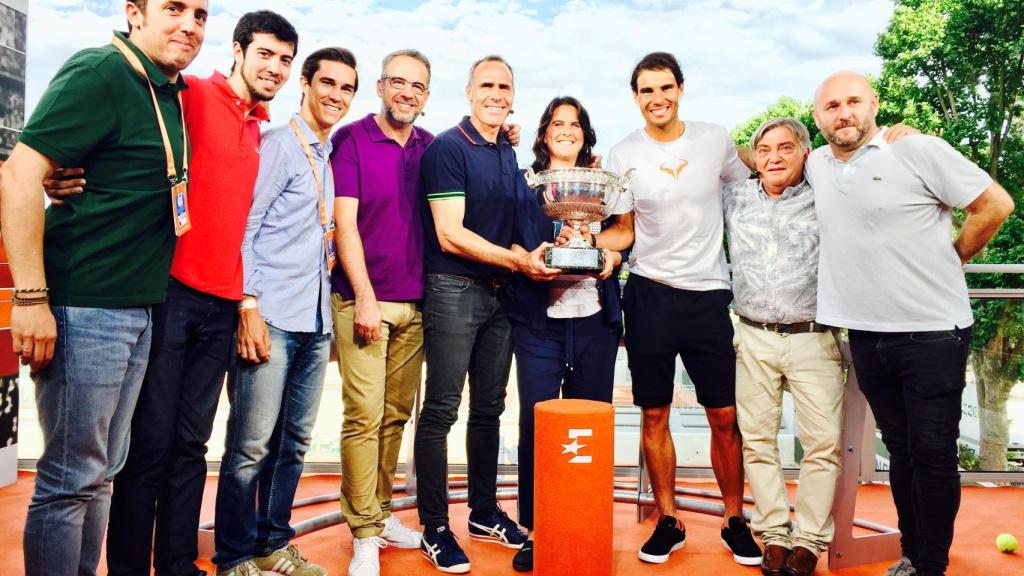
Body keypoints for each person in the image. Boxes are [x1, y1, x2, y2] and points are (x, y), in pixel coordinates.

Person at [0, 0, 207, 574]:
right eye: (174, 8)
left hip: (135, 307)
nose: (189, 24)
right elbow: (17, 174)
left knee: (99, 475)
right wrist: (31, 298)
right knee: (71, 480)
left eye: (199, 14)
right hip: (83, 305)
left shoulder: (166, 91)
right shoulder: (100, 72)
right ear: (134, 13)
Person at [105, 12, 297, 576]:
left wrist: (243, 303)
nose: (275, 68)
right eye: (265, 54)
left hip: (220, 306)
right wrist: (61, 173)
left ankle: (178, 564)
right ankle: (128, 568)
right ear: (237, 51)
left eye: (285, 60)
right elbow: (132, 136)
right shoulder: (191, 94)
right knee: (150, 446)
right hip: (170, 294)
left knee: (192, 448)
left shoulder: (259, 126)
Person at [808, 71, 1014, 576]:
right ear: (818, 118)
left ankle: (931, 564)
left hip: (932, 331)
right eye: (831, 106)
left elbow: (996, 204)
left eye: (854, 101)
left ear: (873, 104)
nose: (844, 113)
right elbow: (763, 157)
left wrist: (956, 255)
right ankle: (912, 555)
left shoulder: (918, 150)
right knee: (900, 451)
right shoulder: (816, 163)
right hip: (867, 335)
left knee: (933, 452)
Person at [594, 51, 762, 566]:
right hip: (648, 294)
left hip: (710, 294)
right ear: (635, 96)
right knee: (653, 413)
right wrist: (590, 241)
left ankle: (736, 519)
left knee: (725, 415)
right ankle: (668, 519)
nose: (657, 98)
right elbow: (621, 226)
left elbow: (757, 181)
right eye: (646, 90)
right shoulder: (622, 154)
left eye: (665, 88)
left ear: (681, 89)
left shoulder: (714, 140)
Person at [212, 47, 359, 576]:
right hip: (271, 316)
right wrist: (247, 305)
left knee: (292, 444)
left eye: (346, 88)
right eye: (328, 83)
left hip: (315, 321)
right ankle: (233, 557)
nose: (336, 95)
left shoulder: (328, 156)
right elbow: (244, 231)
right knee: (250, 447)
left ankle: (273, 544)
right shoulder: (279, 146)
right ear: (305, 83)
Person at [414, 54, 559, 574]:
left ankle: (481, 513)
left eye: (505, 87)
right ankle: (433, 526)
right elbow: (450, 233)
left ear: (512, 96)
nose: (496, 94)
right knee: (442, 409)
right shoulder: (448, 148)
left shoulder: (506, 149)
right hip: (454, 289)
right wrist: (519, 259)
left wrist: (544, 251)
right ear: (469, 92)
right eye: (487, 86)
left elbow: (515, 217)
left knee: (489, 409)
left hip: (502, 295)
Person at [506, 95, 624, 572]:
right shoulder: (523, 184)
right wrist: (533, 255)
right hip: (538, 325)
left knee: (591, 427)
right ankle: (538, 529)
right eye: (558, 123)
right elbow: (509, 241)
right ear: (543, 133)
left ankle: (586, 522)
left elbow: (624, 234)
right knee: (536, 429)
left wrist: (600, 248)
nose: (567, 130)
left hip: (594, 323)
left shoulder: (604, 186)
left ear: (585, 133)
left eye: (575, 124)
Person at [329, 49, 434, 576]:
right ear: (380, 85)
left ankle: (382, 512)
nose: (407, 93)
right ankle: (364, 533)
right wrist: (365, 295)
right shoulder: (351, 139)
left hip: (415, 305)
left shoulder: (429, 147)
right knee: (363, 419)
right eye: (398, 82)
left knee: (394, 418)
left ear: (427, 96)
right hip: (362, 300)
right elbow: (343, 223)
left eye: (417, 86)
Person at [725, 117, 843, 576]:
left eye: (786, 148)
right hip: (751, 334)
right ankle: (774, 534)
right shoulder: (733, 197)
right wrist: (739, 150)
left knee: (823, 444)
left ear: (805, 155)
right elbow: (717, 154)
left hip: (813, 337)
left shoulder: (826, 197)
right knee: (757, 441)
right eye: (765, 150)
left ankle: (810, 540)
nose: (774, 157)